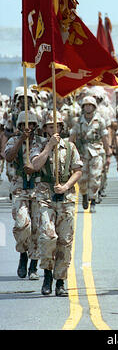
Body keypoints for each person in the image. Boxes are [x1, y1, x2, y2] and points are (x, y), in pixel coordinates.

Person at [30, 111, 83, 296]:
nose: (54, 129)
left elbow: (77, 170)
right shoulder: (38, 145)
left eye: (57, 126)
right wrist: (48, 147)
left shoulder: (70, 146)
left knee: (65, 241)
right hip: (45, 196)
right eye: (50, 126)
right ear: (45, 129)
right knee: (47, 236)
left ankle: (60, 281)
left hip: (65, 198)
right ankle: (47, 274)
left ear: (62, 127)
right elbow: (35, 166)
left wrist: (67, 185)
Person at [5, 111, 42, 280]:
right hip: (20, 188)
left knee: (37, 228)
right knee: (22, 224)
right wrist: (21, 140)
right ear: (19, 126)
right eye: (24, 125)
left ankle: (33, 264)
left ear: (35, 126)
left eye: (31, 124)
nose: (28, 127)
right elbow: (9, 157)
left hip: (38, 188)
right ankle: (23, 254)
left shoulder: (41, 142)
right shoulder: (13, 140)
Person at [69, 96, 112, 213]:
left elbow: (104, 137)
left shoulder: (100, 121)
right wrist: (68, 152)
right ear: (83, 107)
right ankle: (84, 195)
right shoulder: (78, 121)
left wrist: (108, 154)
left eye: (90, 105)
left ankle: (93, 200)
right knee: (82, 179)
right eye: (86, 105)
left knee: (95, 177)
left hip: (96, 151)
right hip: (82, 152)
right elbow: (72, 137)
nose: (88, 107)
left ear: (94, 107)